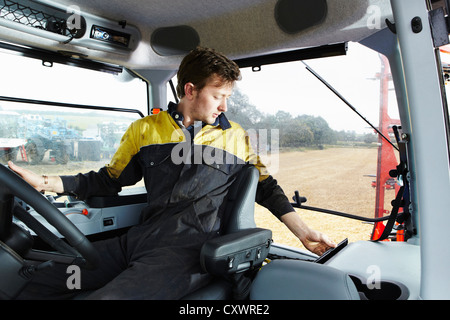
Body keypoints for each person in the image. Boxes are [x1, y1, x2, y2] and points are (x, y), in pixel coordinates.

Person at [9, 47, 335, 300]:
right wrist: (45, 182)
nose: (224, 106)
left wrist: (303, 232)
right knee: (46, 278)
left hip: (189, 249)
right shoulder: (145, 130)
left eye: (228, 98)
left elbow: (266, 186)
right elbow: (108, 180)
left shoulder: (236, 136)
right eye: (218, 96)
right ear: (190, 90)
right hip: (138, 240)